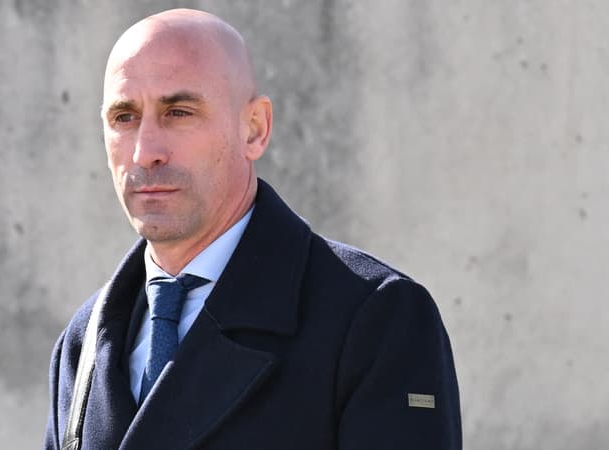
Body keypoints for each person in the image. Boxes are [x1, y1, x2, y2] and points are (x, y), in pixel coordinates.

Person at [44, 8, 461, 450]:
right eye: (124, 117)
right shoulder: (84, 342)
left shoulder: (374, 319)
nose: (145, 152)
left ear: (255, 129)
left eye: (179, 112)